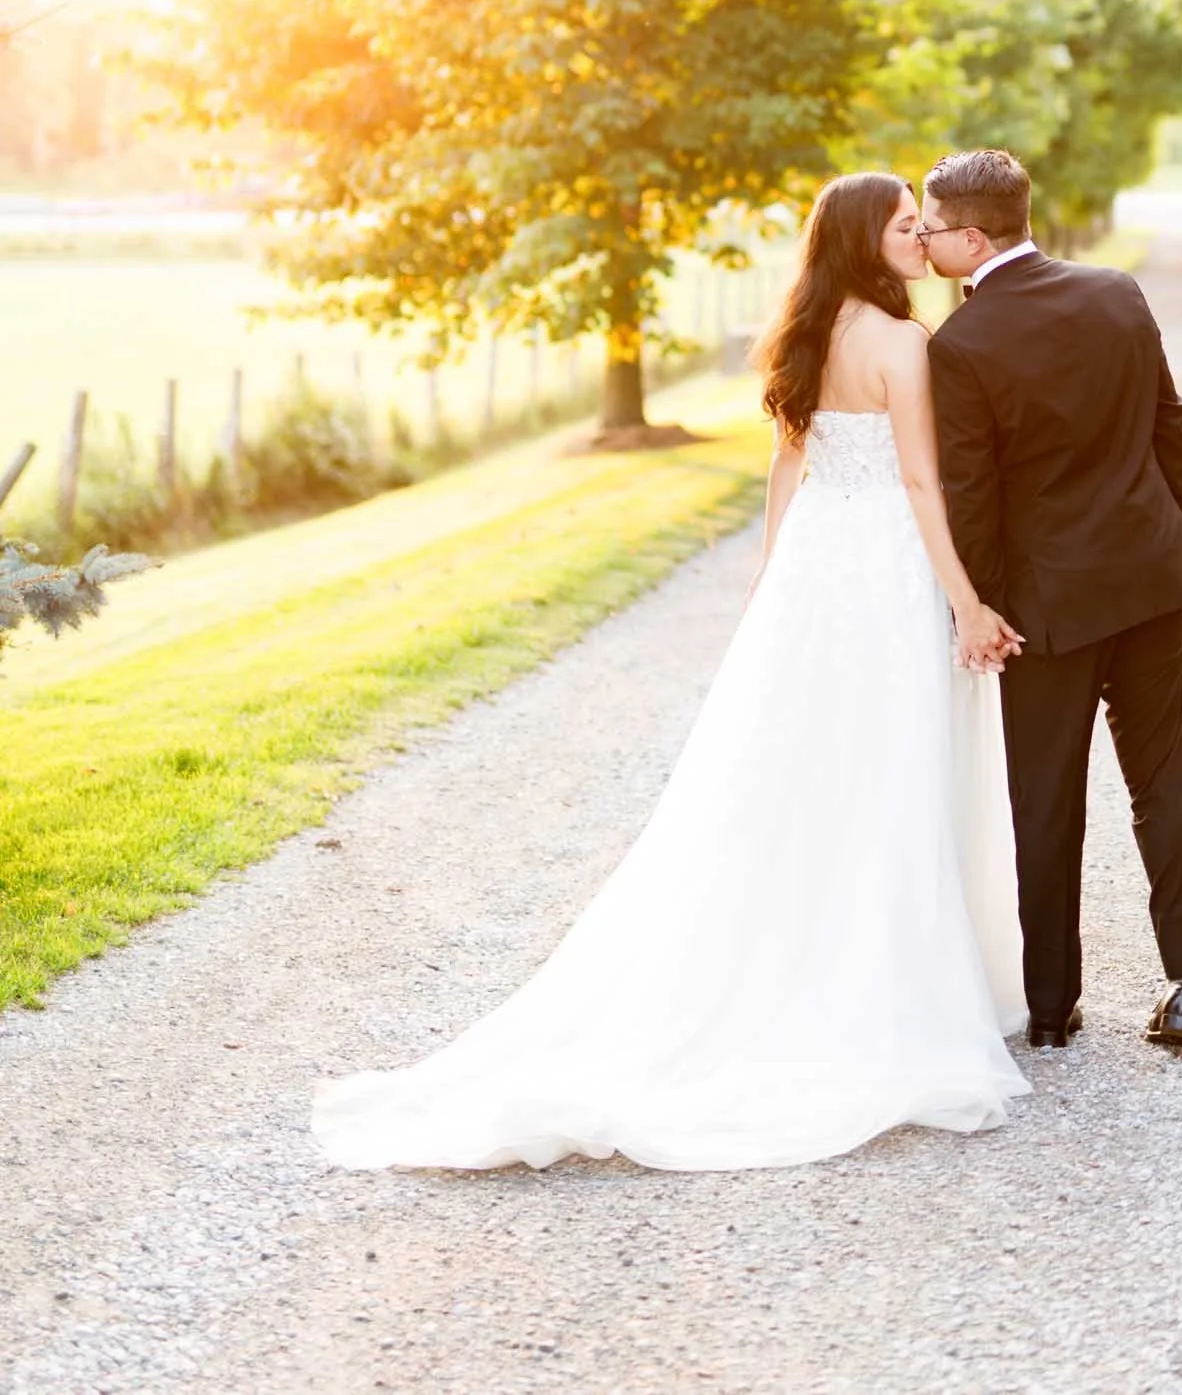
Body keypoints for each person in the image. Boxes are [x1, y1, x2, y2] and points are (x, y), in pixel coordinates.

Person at [312, 172, 1029, 1174]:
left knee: (803, 767)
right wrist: (961, 598)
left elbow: (789, 465)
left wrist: (775, 579)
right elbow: (917, 478)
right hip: (880, 565)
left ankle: (808, 960)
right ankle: (871, 988)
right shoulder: (902, 343)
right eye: (906, 228)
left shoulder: (804, 337)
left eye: (924, 226)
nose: (921, 238)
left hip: (820, 559)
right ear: (867, 243)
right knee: (885, 764)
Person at [920, 147, 1182, 1052]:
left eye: (930, 228)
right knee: (1163, 783)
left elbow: (970, 499)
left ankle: (1051, 1008)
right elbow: (1172, 426)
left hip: (1043, 613)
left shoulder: (960, 346)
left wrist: (981, 607)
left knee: (1045, 803)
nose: (923, 242)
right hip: (1149, 584)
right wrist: (1179, 538)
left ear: (971, 238)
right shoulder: (1115, 292)